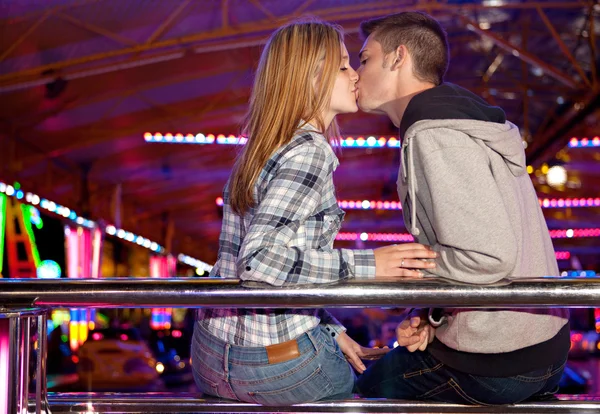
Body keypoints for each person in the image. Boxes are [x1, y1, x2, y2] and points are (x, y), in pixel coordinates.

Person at [192, 20, 437, 406]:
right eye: (343, 65)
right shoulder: (309, 151)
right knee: (395, 380)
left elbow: (275, 269)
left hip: (210, 357)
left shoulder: (264, 146)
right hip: (273, 367)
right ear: (309, 79)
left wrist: (330, 328)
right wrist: (368, 265)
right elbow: (259, 264)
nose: (355, 73)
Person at [353, 12, 570, 405]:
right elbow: (475, 250)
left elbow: (488, 259)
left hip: (498, 362)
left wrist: (407, 269)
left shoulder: (435, 136)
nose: (355, 72)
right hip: (539, 348)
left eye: (365, 59)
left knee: (352, 386)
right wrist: (431, 315)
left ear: (398, 58)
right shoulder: (456, 123)